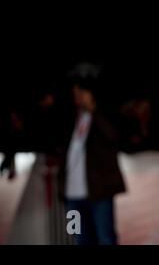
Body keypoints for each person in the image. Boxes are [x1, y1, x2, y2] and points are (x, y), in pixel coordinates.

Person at [57, 78, 126, 245]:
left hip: (98, 192)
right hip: (72, 195)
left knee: (106, 238)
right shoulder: (70, 118)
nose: (77, 97)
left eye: (81, 93)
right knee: (80, 240)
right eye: (75, 93)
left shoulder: (104, 115)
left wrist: (94, 110)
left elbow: (114, 137)